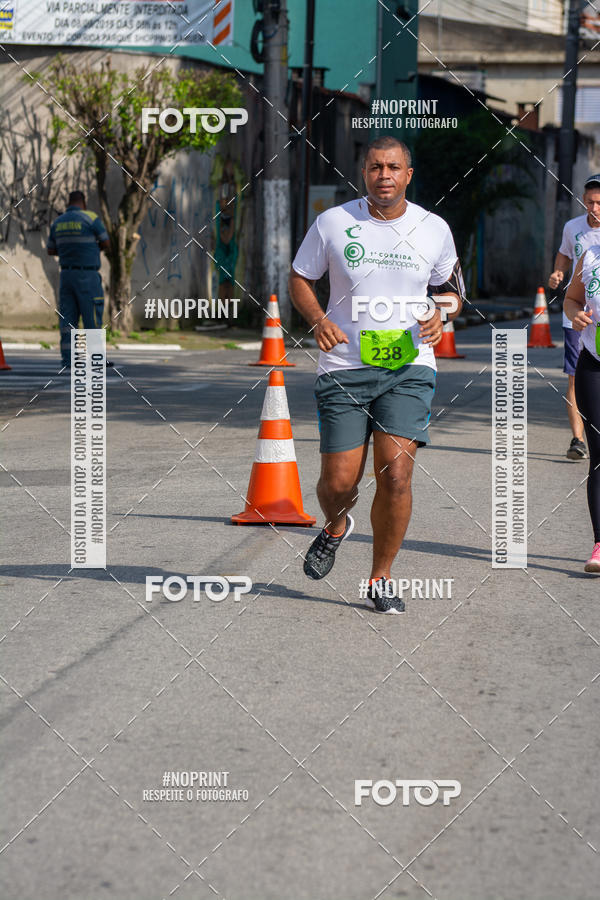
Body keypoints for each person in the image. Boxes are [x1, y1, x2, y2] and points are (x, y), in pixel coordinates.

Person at [289, 136, 464, 613]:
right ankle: (337, 524)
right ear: (363, 173)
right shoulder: (334, 222)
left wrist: (441, 314)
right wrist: (319, 321)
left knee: (397, 475)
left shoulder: (433, 228)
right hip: (344, 367)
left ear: (408, 174)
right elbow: (300, 278)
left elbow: (452, 291)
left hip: (408, 367)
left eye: (392, 167)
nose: (383, 175)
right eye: (374, 167)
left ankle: (381, 578)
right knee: (339, 483)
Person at [548, 174, 600, 460]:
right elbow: (564, 256)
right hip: (576, 315)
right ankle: (578, 439)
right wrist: (558, 273)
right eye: (590, 202)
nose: (595, 208)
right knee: (573, 378)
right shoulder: (573, 228)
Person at [564, 250, 600, 574]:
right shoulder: (590, 258)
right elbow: (571, 300)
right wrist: (575, 314)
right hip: (594, 364)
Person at [47, 190, 110, 369]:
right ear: (83, 201)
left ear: (69, 202)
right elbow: (106, 243)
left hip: (66, 275)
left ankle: (68, 360)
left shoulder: (57, 222)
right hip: (87, 275)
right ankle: (96, 358)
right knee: (92, 317)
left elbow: (51, 250)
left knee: (67, 319)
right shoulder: (91, 218)